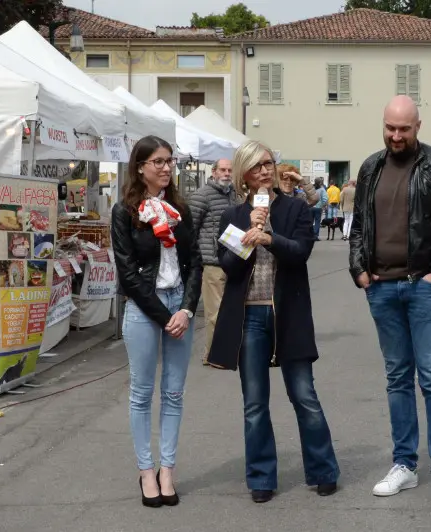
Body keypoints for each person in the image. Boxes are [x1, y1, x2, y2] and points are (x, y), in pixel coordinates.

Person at [349, 95, 431, 507]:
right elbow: (359, 227)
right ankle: (404, 464)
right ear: (383, 125)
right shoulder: (370, 167)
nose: (396, 135)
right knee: (397, 378)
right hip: (382, 288)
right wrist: (360, 270)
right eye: (390, 128)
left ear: (418, 126)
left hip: (424, 286)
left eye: (404, 128)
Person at [208, 141, 339, 504]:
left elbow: (301, 253)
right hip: (250, 316)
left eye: (268, 164)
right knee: (254, 404)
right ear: (244, 176)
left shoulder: (295, 207)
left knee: (304, 396)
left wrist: (269, 237)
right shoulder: (232, 216)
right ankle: (262, 477)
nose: (265, 171)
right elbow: (229, 268)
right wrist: (248, 238)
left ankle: (323, 470)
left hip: (288, 314)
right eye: (256, 167)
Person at [111, 135, 202, 508]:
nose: (166, 168)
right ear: (140, 167)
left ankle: (168, 469)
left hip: (179, 305)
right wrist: (166, 317)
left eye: (170, 162)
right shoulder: (125, 212)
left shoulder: (181, 208)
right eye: (159, 162)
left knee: (174, 393)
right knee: (141, 393)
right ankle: (146, 470)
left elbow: (195, 261)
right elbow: (128, 273)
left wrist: (186, 309)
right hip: (146, 308)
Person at [188, 159, 235, 365]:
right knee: (215, 312)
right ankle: (214, 356)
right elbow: (191, 230)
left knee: (228, 310)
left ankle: (219, 352)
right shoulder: (201, 196)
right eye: (223, 170)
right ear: (214, 172)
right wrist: (197, 259)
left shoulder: (235, 195)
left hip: (233, 259)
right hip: (212, 261)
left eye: (230, 170)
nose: (227, 174)